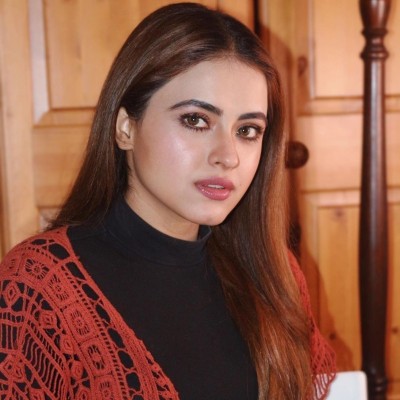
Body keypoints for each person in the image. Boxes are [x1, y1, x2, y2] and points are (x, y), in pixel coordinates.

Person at [0, 3, 336, 399]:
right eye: (196, 120)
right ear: (125, 128)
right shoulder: (38, 287)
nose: (228, 156)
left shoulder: (274, 272)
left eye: (247, 130)